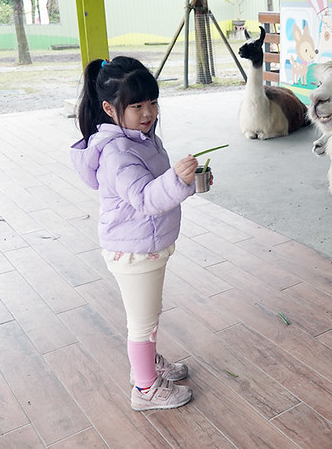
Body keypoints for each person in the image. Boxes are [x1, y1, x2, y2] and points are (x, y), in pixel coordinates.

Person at [70, 56, 208, 411]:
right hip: (134, 249)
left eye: (152, 103)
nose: (148, 113)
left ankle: (146, 364)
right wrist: (178, 180)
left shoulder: (139, 137)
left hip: (143, 243)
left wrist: (186, 182)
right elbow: (146, 198)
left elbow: (157, 187)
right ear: (108, 107)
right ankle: (145, 388)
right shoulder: (118, 152)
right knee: (142, 321)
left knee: (148, 314)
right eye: (136, 106)